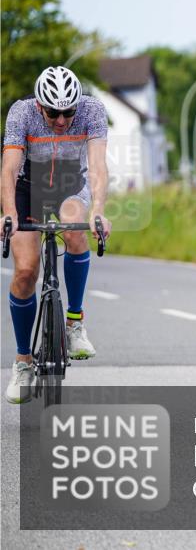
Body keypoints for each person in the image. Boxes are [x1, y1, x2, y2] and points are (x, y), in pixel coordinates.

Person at [2, 66, 112, 404]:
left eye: (68, 112)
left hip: (69, 184)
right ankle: (23, 361)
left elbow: (97, 167)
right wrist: (9, 213)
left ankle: (74, 323)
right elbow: (9, 168)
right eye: (53, 113)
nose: (62, 120)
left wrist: (98, 210)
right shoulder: (21, 113)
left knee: (75, 228)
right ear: (39, 106)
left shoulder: (92, 110)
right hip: (28, 187)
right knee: (25, 271)